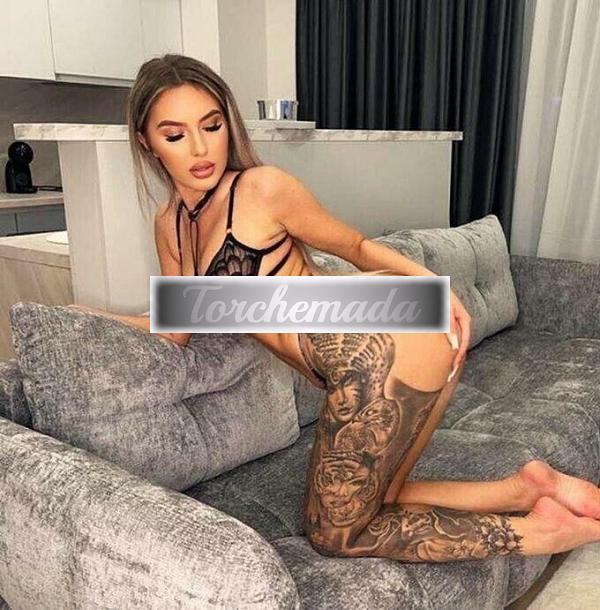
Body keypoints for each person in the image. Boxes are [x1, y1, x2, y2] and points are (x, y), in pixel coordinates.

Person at [69, 54, 600, 562]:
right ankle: (525, 488)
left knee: (335, 535)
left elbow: (356, 246)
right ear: (147, 141)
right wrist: (85, 314)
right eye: (175, 134)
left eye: (212, 125)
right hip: (385, 344)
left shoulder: (260, 188)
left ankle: (545, 533)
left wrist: (436, 290)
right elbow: (174, 329)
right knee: (383, 499)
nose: (200, 147)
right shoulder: (170, 225)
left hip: (384, 338)